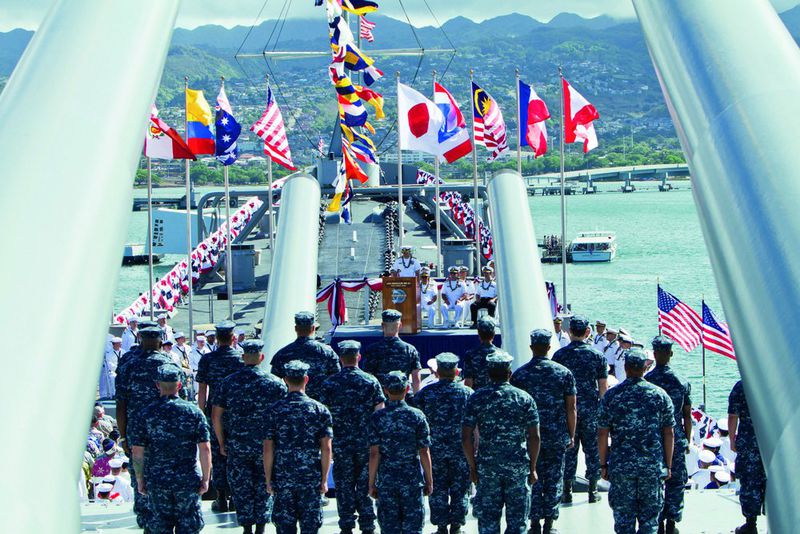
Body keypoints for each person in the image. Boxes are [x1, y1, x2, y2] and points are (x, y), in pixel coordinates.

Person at [598, 348, 675, 534]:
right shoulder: (660, 395)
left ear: (625, 367)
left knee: (624, 521)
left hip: (622, 467)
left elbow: (602, 434)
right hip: (651, 467)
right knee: (649, 522)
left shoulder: (611, 396)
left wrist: (603, 464)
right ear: (644, 368)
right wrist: (668, 465)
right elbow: (669, 433)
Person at [214, 339, 287, 534]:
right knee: (265, 484)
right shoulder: (275, 383)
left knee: (241, 487)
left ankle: (247, 527)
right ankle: (261, 527)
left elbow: (216, 415)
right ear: (261, 357)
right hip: (266, 446)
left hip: (238, 445)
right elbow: (283, 414)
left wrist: (221, 441)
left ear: (243, 357)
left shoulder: (228, 383)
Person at [115, 325, 184, 530]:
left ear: (140, 339)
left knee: (140, 476)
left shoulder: (128, 365)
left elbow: (121, 405)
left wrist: (124, 436)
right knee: (167, 475)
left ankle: (146, 522)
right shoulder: (169, 364)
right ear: (160, 341)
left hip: (137, 433)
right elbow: (180, 401)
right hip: (167, 433)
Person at [463, 353, 540, 533]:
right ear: (509, 373)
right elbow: (534, 437)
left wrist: (472, 467)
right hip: (517, 467)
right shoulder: (524, 398)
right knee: (517, 523)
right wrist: (533, 468)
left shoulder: (477, 398)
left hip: (487, 468)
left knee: (488, 523)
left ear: (488, 373)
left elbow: (466, 437)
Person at [130, 364, 211, 534]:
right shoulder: (194, 412)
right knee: (189, 527)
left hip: (157, 480)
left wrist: (140, 480)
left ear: (157, 385)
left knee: (159, 527)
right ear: (179, 385)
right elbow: (205, 449)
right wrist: (205, 479)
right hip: (186, 479)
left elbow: (137, 452)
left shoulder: (145, 414)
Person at [511, 329, 577, 534]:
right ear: (549, 347)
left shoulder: (520, 374)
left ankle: (533, 523)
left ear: (531, 347)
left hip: (529, 437)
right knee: (554, 478)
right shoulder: (564, 373)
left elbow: (515, 410)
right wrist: (571, 434)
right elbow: (571, 408)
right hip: (556, 435)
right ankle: (549, 523)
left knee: (532, 477)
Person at [319, 340, 386, 534]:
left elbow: (324, 415)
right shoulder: (371, 381)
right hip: (366, 445)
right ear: (359, 357)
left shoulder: (330, 383)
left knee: (344, 486)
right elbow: (380, 413)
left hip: (340, 444)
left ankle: (346, 525)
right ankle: (367, 525)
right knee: (367, 484)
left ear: (340, 358)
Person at [263, 360, 333, 534]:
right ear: (306, 379)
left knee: (285, 527)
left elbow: (268, 448)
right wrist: (324, 480)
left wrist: (268, 479)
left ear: (286, 380)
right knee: (310, 527)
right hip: (310, 477)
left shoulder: (274, 410)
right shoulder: (320, 410)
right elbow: (326, 448)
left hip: (283, 476)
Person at [368, 371, 433, 534]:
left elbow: (375, 453)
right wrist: (429, 480)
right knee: (413, 528)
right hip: (411, 480)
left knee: (389, 528)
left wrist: (371, 483)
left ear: (385, 390)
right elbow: (424, 451)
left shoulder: (377, 417)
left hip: (387, 481)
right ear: (407, 389)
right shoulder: (417, 416)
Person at [414, 353, 473, 534]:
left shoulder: (426, 393)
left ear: (437, 371)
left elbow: (416, 418)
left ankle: (441, 527)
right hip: (461, 450)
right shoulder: (467, 394)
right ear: (456, 372)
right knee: (460, 489)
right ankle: (456, 526)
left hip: (434, 450)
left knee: (437, 488)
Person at [552, 315, 608, 504]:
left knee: (569, 448)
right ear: (587, 332)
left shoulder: (560, 356)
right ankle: (593, 490)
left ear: (569, 332)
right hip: (591, 410)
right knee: (592, 449)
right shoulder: (597, 356)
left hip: (568, 410)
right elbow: (603, 388)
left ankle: (566, 490)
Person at [196, 320, 246, 513]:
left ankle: (221, 497)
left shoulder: (207, 360)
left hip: (213, 414)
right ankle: (235, 496)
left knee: (217, 455)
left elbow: (202, 390)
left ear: (217, 338)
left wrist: (202, 414)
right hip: (236, 415)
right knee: (235, 454)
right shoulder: (240, 359)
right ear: (233, 338)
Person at [645, 336, 693, 534]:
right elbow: (687, 416)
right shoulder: (682, 382)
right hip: (676, 439)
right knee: (676, 482)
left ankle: (658, 523)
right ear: (671, 354)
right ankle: (672, 523)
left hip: (653, 440)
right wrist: (687, 440)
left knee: (655, 481)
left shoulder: (647, 381)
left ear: (654, 354)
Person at [270, 311, 340, 401]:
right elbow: (336, 377)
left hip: (293, 403)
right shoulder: (327, 352)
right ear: (313, 328)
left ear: (296, 328)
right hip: (321, 402)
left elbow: (274, 382)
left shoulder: (282, 354)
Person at [728, 380, 766, 534]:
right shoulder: (777, 382)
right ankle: (777, 522)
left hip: (749, 441)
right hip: (773, 442)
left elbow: (733, 416)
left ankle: (751, 524)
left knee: (750, 481)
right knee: (774, 481)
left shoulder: (741, 386)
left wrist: (732, 439)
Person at [363, 309, 422, 394]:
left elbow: (368, 378)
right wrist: (417, 399)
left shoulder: (372, 350)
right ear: (400, 325)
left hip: (381, 396)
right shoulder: (410, 349)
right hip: (403, 396)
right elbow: (416, 379)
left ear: (382, 326)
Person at [462, 316, 501, 391]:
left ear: (479, 334)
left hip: (478, 395)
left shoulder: (470, 355)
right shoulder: (502, 355)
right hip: (496, 395)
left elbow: (468, 383)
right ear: (494, 334)